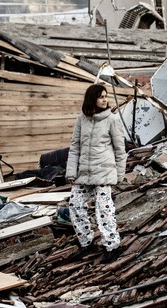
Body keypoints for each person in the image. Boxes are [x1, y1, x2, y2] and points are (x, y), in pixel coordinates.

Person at [65, 84, 127, 263]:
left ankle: (113, 246)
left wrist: (119, 175)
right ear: (92, 98)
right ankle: (87, 242)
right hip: (84, 173)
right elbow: (75, 147)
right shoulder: (81, 120)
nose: (105, 99)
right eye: (101, 97)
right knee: (75, 205)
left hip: (104, 172)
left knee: (104, 210)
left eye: (106, 96)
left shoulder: (112, 120)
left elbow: (120, 150)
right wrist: (71, 172)